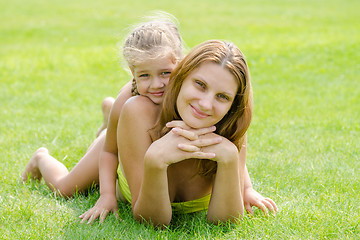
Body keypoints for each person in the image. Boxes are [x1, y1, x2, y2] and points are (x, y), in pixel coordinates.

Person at [85, 39, 278, 226]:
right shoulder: (137, 111)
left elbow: (224, 222)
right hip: (125, 141)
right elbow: (151, 221)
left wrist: (231, 162)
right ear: (182, 76)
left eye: (222, 97)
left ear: (232, 106)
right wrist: (155, 160)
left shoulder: (232, 125)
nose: (205, 105)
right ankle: (109, 120)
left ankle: (109, 119)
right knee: (65, 187)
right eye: (200, 85)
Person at [21, 12, 184, 209]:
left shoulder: (190, 91)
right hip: (120, 143)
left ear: (180, 62)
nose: (156, 84)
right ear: (133, 73)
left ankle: (109, 116)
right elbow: (109, 151)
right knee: (65, 189)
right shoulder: (129, 97)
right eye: (145, 76)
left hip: (140, 149)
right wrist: (107, 195)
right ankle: (41, 158)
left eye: (165, 73)